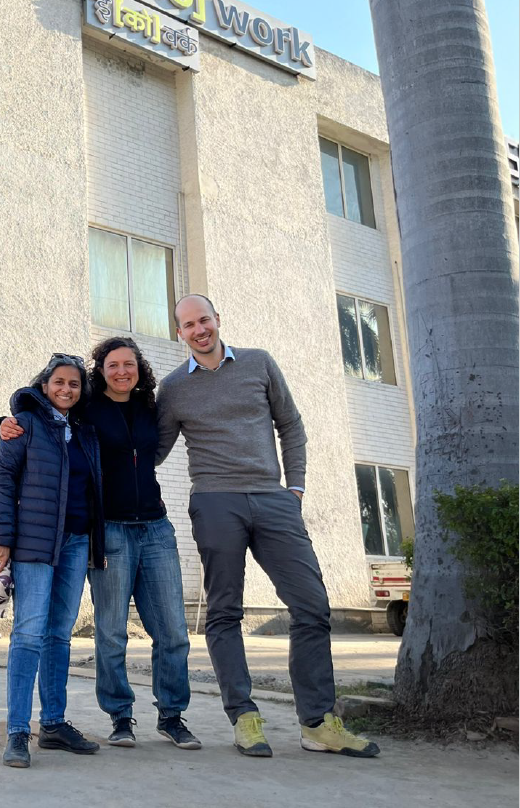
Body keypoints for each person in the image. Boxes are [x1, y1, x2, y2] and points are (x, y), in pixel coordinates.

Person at [158, 293, 379, 759]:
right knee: (224, 611)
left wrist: (294, 489)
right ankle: (244, 717)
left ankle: (318, 723)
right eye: (188, 325)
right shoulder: (175, 388)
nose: (199, 330)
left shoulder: (258, 363)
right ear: (178, 332)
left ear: (218, 319)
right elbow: (150, 451)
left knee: (312, 605)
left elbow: (291, 426)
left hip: (273, 498)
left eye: (204, 320)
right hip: (216, 501)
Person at [0, 338, 200, 750]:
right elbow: (12, 459)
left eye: (129, 363)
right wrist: (3, 423)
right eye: (113, 365)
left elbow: (154, 452)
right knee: (69, 632)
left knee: (161, 631)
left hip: (121, 533)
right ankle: (82, 722)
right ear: (100, 371)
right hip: (79, 536)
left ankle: (161, 716)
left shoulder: (129, 414)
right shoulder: (59, 417)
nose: (122, 371)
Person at [0, 353, 105, 768]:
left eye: (74, 384)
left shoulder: (85, 430)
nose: (66, 390)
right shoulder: (25, 425)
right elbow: (1, 478)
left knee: (59, 634)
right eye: (59, 382)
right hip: (34, 544)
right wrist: (2, 537)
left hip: (76, 543)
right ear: (45, 385)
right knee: (29, 633)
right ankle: (18, 732)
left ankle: (53, 724)